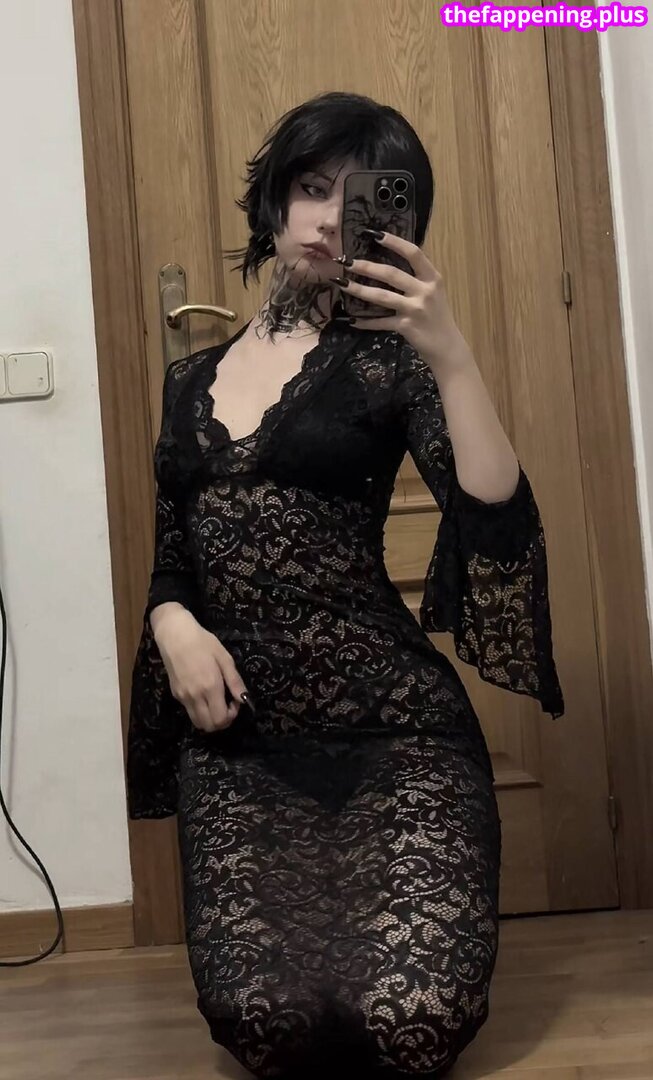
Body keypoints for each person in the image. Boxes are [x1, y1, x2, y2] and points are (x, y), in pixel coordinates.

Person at [126, 90, 564, 1079]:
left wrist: (449, 353)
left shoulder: (391, 365)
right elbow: (172, 558)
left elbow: (493, 518)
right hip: (243, 750)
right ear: (275, 201)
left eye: (357, 196)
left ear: (395, 221)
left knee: (409, 1023)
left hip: (397, 736)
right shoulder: (187, 383)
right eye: (311, 187)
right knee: (269, 1025)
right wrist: (172, 625)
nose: (328, 217)